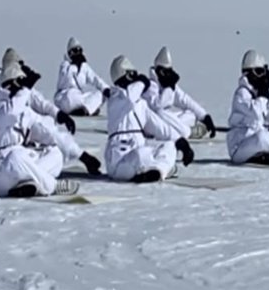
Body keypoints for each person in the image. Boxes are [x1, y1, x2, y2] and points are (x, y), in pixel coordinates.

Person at [0, 62, 103, 198]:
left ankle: (28, 185)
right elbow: (13, 111)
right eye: (21, 84)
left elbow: (51, 134)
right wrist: (26, 88)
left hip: (22, 170)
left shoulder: (26, 113)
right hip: (0, 176)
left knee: (56, 154)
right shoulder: (1, 111)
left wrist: (82, 156)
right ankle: (53, 186)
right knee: (16, 157)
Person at [105, 55, 194, 183]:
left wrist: (181, 143)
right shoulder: (116, 98)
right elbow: (130, 97)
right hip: (119, 162)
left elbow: (159, 126)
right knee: (142, 154)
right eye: (132, 74)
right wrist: (142, 82)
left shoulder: (140, 104)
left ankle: (157, 172)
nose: (136, 78)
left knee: (169, 146)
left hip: (139, 157)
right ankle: (160, 169)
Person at [0, 48, 76, 133]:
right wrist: (25, 87)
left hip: (24, 131)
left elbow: (41, 103)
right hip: (10, 133)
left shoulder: (25, 89)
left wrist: (60, 115)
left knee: (49, 121)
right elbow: (13, 112)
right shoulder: (2, 92)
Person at [146, 46, 216, 139]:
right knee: (160, 114)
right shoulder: (150, 86)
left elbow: (186, 101)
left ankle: (179, 129)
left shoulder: (169, 85)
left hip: (169, 122)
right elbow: (157, 106)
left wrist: (204, 116)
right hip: (152, 124)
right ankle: (189, 132)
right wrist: (169, 88)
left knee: (191, 114)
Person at [54, 37, 109, 116]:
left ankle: (86, 110)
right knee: (71, 96)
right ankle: (90, 109)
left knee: (100, 94)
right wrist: (74, 65)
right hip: (65, 97)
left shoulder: (84, 66)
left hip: (79, 98)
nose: (78, 53)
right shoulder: (65, 65)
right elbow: (67, 81)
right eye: (76, 50)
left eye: (80, 50)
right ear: (70, 53)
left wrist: (105, 88)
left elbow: (95, 78)